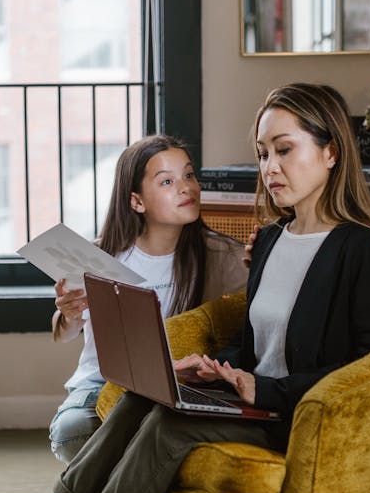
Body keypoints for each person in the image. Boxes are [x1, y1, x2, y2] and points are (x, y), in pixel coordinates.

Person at [0, 83, 370, 493]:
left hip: (295, 414)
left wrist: (263, 390)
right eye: (263, 153)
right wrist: (214, 367)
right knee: (143, 396)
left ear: (331, 152)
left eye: (284, 150)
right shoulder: (271, 239)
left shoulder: (363, 250)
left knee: (171, 423)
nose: (270, 167)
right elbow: (254, 343)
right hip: (252, 399)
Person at [47, 135, 247, 463]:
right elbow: (63, 334)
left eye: (188, 175)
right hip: (101, 385)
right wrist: (69, 315)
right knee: (74, 433)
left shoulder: (222, 255)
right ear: (137, 201)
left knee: (153, 436)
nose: (186, 188)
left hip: (174, 386)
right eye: (167, 181)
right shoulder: (101, 256)